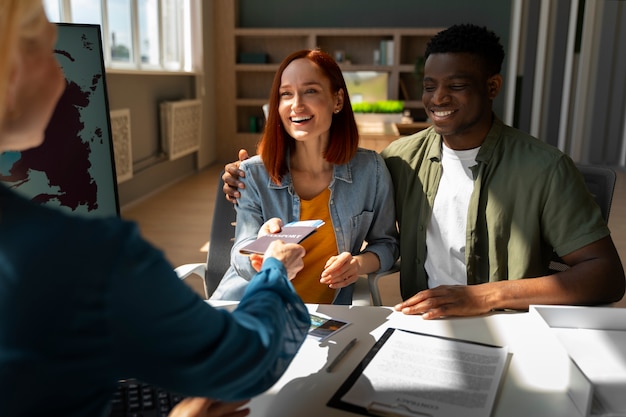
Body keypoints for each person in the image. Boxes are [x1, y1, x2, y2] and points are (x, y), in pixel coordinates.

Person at [0, 1, 310, 416]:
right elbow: (244, 359)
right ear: (12, 70)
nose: (60, 74)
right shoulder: (86, 258)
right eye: (45, 51)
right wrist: (274, 269)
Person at [222, 24, 625, 319]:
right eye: (429, 86)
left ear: (492, 86)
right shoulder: (400, 159)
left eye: (457, 85)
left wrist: (482, 296)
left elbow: (607, 276)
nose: (439, 99)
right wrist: (247, 181)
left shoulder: (545, 168)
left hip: (505, 325)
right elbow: (363, 219)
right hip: (416, 320)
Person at [211, 49, 399, 305]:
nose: (296, 104)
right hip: (251, 306)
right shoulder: (253, 173)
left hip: (325, 318)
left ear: (338, 100)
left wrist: (358, 264)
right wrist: (264, 253)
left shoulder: (371, 170)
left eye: (310, 91)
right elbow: (241, 254)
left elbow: (387, 244)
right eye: (286, 94)